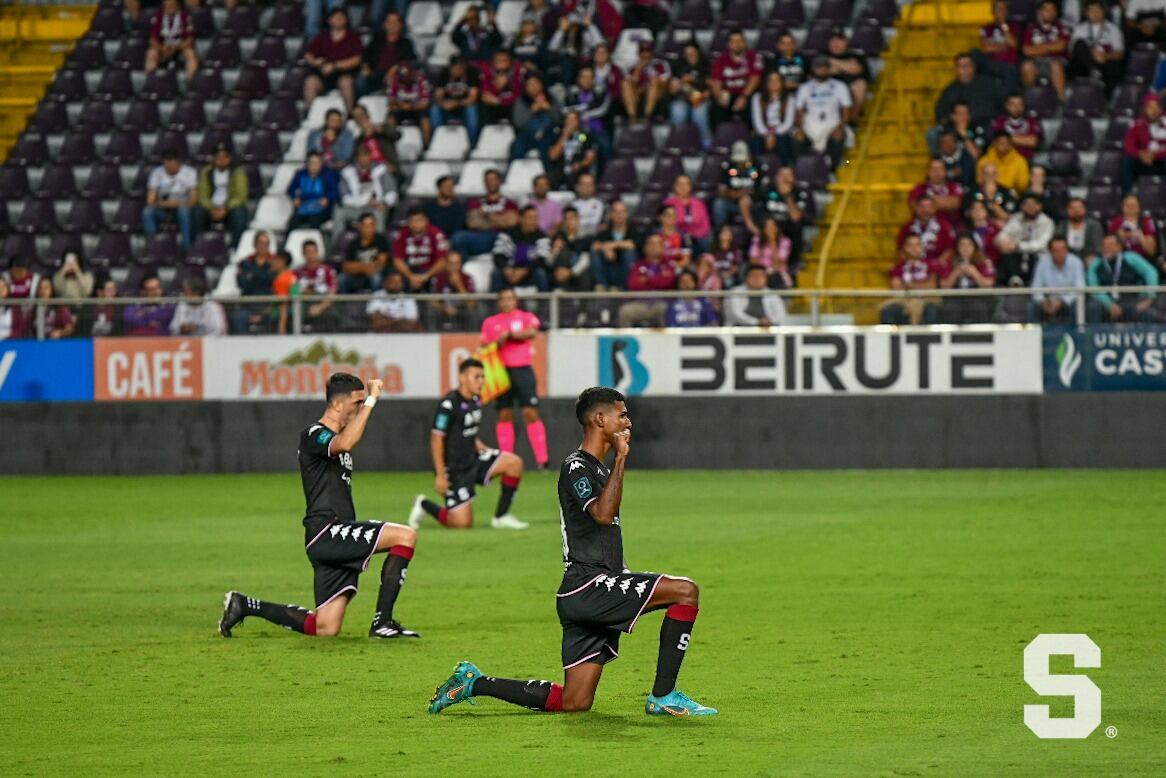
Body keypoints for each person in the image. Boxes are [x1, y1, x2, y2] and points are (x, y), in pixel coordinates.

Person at [428, 387, 717, 717]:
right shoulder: (576, 467)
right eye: (621, 414)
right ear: (599, 418)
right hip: (588, 587)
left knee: (575, 702)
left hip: (587, 591)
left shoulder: (599, 470)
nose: (628, 422)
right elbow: (603, 515)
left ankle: (473, 682)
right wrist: (622, 457)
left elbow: (601, 533)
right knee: (686, 592)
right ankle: (664, 695)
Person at [219, 374, 421, 640]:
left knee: (325, 627)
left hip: (333, 537)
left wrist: (366, 403)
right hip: (327, 531)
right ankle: (383, 622)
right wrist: (372, 400)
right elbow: (346, 442)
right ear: (337, 405)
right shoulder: (314, 434)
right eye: (356, 402)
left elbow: (345, 442)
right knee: (406, 536)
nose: (360, 408)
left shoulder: (334, 440)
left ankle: (244, 605)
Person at [407, 358, 529, 532]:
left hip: (474, 458)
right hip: (455, 470)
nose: (481, 381)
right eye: (476, 377)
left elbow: (466, 429)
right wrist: (441, 475)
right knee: (462, 524)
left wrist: (480, 445)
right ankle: (424, 504)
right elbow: (436, 439)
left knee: (514, 463)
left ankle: (501, 517)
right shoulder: (449, 404)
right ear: (462, 378)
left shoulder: (475, 399)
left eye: (482, 377)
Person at [480, 288, 548, 468]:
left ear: (515, 300)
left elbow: (533, 332)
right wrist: (497, 342)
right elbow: (484, 345)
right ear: (499, 302)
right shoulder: (490, 322)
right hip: (501, 372)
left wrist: (510, 335)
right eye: (503, 299)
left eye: (510, 298)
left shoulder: (525, 317)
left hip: (523, 369)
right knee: (504, 414)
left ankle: (542, 460)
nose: (506, 302)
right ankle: (507, 459)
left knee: (530, 412)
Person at [793, 55, 852, 169]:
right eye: (818, 67)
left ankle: (834, 170)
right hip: (811, 124)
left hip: (833, 123)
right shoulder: (805, 87)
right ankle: (801, 169)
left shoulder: (839, 86)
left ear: (829, 69)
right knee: (798, 136)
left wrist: (841, 126)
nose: (821, 70)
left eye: (824, 67)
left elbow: (846, 109)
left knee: (838, 135)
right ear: (813, 69)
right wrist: (800, 127)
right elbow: (799, 109)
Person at [1086, 233, 1159, 322]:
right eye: (1104, 245)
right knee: (1093, 307)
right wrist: (1109, 304)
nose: (1106, 248)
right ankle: (1091, 335)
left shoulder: (1131, 257)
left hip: (1132, 300)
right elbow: (1094, 287)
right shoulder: (1096, 264)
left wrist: (1150, 297)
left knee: (1148, 311)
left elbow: (1151, 273)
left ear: (1119, 247)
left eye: (1110, 246)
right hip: (1106, 302)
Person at [303, 7, 363, 111]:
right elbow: (308, 54)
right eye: (335, 17)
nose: (339, 19)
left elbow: (357, 59)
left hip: (344, 73)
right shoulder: (323, 36)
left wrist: (335, 66)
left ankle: (350, 114)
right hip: (323, 73)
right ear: (329, 20)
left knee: (346, 82)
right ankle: (311, 114)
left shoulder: (353, 37)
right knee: (310, 82)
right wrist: (314, 61)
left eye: (341, 17)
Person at [751, 166, 812, 266]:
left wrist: (787, 195)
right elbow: (756, 208)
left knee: (797, 226)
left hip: (787, 228)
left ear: (794, 178)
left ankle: (793, 262)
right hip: (768, 225)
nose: (785, 178)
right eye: (782, 175)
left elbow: (796, 217)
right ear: (776, 177)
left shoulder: (799, 192)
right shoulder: (768, 189)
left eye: (788, 175)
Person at [453, 169, 520, 258]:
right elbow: (472, 223)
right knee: (458, 237)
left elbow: (512, 222)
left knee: (504, 238)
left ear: (499, 182)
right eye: (488, 180)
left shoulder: (510, 204)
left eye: (493, 180)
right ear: (484, 182)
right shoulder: (475, 203)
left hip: (500, 237)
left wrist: (487, 216)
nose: (491, 183)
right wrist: (501, 219)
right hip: (479, 238)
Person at [335, 145, 396, 240]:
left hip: (376, 208)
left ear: (371, 156)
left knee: (378, 214)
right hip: (355, 208)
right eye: (361, 156)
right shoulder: (347, 172)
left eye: (366, 156)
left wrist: (384, 203)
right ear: (356, 158)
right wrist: (366, 201)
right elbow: (345, 198)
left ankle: (379, 245)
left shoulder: (381, 170)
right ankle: (336, 247)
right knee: (339, 213)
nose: (363, 159)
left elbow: (392, 192)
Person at [995, 192, 1056, 287]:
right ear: (1022, 206)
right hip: (1016, 258)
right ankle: (1014, 282)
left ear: (1039, 206)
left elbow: (1042, 244)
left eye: (1033, 204)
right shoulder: (1016, 218)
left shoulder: (1047, 222)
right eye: (1027, 204)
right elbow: (1002, 235)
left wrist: (1017, 246)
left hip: (1037, 258)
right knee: (1006, 255)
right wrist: (1002, 242)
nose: (1030, 207)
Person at [934, 53, 1006, 131]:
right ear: (956, 69)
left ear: (974, 67)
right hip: (961, 128)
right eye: (961, 66)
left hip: (987, 126)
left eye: (967, 65)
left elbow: (1004, 103)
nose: (964, 69)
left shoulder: (989, 84)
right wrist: (952, 118)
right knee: (933, 133)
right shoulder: (950, 91)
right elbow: (940, 114)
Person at [194, 143, 249, 247]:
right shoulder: (206, 172)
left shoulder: (238, 172)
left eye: (225, 157)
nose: (222, 160)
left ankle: (235, 247)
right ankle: (197, 245)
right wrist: (211, 208)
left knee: (239, 213)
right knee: (197, 212)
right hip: (212, 207)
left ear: (229, 158)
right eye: (218, 158)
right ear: (213, 159)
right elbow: (203, 195)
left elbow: (241, 195)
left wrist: (225, 208)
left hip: (230, 208)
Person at [143, 151, 198, 251]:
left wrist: (178, 203)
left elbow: (193, 200)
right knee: (147, 212)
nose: (169, 166)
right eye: (167, 163)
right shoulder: (157, 173)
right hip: (163, 208)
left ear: (179, 162)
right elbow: (150, 200)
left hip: (182, 208)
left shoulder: (190, 172)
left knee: (184, 211)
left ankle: (186, 247)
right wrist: (163, 204)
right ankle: (153, 245)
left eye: (172, 163)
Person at [881, 236, 941, 325]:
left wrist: (909, 285)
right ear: (905, 248)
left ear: (922, 247)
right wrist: (921, 285)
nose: (914, 248)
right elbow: (896, 287)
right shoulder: (898, 267)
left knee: (931, 310)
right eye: (910, 245)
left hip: (926, 299)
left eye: (917, 245)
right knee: (889, 310)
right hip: (904, 300)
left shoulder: (931, 265)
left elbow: (932, 286)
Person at [619, 233, 677, 327]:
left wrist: (647, 280)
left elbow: (669, 282)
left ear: (662, 247)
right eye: (650, 244)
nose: (654, 247)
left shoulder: (669, 265)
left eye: (657, 244)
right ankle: (626, 340)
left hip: (662, 302)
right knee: (625, 311)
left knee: (665, 309)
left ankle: (668, 340)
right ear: (645, 247)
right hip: (641, 303)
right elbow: (633, 285)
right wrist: (658, 279)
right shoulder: (638, 265)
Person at [1069, 0, 1125, 96]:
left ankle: (1109, 101)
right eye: (1091, 10)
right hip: (1084, 65)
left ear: (1103, 11)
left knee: (1114, 66)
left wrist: (1105, 56)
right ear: (1086, 13)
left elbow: (1120, 53)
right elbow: (1072, 51)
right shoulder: (1079, 29)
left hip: (1105, 62)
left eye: (1097, 10)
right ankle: (1094, 71)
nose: (1094, 13)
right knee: (1079, 44)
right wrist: (1091, 54)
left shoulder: (1114, 29)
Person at [491, 205, 552, 292]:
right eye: (530, 217)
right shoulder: (508, 234)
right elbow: (497, 254)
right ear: (521, 218)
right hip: (510, 273)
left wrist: (524, 271)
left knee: (541, 273)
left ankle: (544, 304)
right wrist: (506, 269)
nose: (533, 221)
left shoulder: (542, 237)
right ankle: (493, 305)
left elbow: (542, 259)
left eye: (536, 218)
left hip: (529, 274)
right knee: (496, 274)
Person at [708, 29, 763, 124]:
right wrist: (719, 95)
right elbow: (716, 81)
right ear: (728, 44)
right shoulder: (721, 59)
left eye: (740, 41)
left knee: (753, 103)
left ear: (745, 43)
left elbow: (755, 78)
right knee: (716, 107)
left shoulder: (754, 56)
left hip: (747, 93)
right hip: (728, 93)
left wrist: (744, 96)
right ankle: (720, 135)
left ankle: (749, 135)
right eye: (733, 41)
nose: (737, 44)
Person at [1020, 0, 1071, 102]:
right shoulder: (1031, 28)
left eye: (1052, 9)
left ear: (1056, 12)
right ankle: (1030, 100)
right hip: (1036, 63)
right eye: (1046, 9)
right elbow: (1027, 51)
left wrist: (1039, 47)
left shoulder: (1062, 27)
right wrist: (1050, 47)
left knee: (1055, 65)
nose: (1049, 12)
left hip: (1058, 62)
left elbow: (1061, 46)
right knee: (1027, 66)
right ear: (1040, 12)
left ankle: (1061, 101)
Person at [940, 234, 997, 323]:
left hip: (977, 297)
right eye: (962, 245)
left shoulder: (984, 261)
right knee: (950, 308)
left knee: (979, 307)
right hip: (955, 298)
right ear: (957, 248)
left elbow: (989, 284)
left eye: (969, 245)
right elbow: (944, 286)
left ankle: (982, 336)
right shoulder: (949, 262)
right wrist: (955, 273)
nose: (966, 248)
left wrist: (975, 273)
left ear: (975, 246)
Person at [1029, 236, 1086, 323]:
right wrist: (1043, 302)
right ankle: (1035, 335)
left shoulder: (1076, 262)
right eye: (1056, 250)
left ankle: (1078, 334)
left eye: (1062, 250)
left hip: (1068, 301)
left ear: (1067, 250)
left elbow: (1080, 288)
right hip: (1048, 301)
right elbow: (1035, 288)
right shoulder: (1042, 263)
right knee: (1031, 306)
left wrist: (1062, 301)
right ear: (1050, 252)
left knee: (1078, 305)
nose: (1060, 253)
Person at [392, 207, 450, 292]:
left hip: (430, 271)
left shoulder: (436, 234)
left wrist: (426, 276)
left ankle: (436, 304)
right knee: (393, 279)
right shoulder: (402, 235)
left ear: (426, 221)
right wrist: (410, 276)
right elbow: (397, 260)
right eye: (412, 221)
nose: (415, 224)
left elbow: (442, 261)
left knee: (441, 276)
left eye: (419, 220)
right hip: (409, 271)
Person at [360, 11, 416, 97]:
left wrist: (394, 70)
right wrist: (365, 67)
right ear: (384, 24)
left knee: (394, 79)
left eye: (395, 22)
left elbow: (408, 61)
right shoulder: (376, 40)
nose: (392, 25)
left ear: (400, 25)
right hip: (374, 75)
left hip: (394, 76)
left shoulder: (406, 43)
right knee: (360, 79)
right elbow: (366, 57)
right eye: (389, 22)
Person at [667, 43, 712, 149]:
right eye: (688, 54)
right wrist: (682, 81)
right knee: (678, 111)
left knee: (699, 113)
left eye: (693, 53)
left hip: (701, 100)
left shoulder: (705, 67)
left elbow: (710, 89)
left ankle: (706, 143)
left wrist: (703, 95)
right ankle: (677, 144)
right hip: (682, 99)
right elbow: (672, 90)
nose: (691, 56)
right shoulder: (678, 68)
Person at [509, 73, 562, 162]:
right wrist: (531, 111)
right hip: (527, 136)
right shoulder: (521, 101)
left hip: (548, 136)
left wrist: (549, 109)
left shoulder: (551, 99)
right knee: (517, 146)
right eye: (529, 84)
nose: (533, 87)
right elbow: (518, 123)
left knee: (549, 149)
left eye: (535, 83)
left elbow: (560, 120)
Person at [590, 200, 641, 291]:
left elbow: (632, 244)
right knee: (595, 252)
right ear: (611, 214)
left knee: (629, 252)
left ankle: (622, 287)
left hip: (625, 272)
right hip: (609, 269)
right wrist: (605, 248)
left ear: (626, 214)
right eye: (616, 212)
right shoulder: (605, 232)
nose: (619, 215)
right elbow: (594, 245)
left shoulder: (633, 231)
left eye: (622, 212)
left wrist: (612, 245)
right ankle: (601, 286)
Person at [430, 54, 481, 145]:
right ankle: (436, 140)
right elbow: (438, 95)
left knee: (472, 110)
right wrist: (443, 103)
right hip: (447, 105)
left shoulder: (472, 73)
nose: (458, 71)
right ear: (450, 67)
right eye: (455, 69)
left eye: (460, 68)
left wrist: (457, 103)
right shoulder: (443, 74)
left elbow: (473, 97)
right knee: (434, 109)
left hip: (464, 105)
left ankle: (473, 143)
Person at [1122, 93, 1166, 193]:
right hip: (1143, 162)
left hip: (1160, 162)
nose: (1154, 111)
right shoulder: (1136, 124)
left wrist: (1155, 155)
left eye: (1156, 107)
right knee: (1127, 160)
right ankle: (1127, 197)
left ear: (1161, 109)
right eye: (1150, 107)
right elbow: (1129, 146)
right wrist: (1140, 154)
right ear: (1145, 109)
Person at [235, 231, 277, 333]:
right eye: (260, 243)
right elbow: (242, 284)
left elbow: (274, 282)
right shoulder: (245, 262)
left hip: (269, 305)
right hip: (248, 304)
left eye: (266, 244)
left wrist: (253, 276)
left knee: (275, 317)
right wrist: (265, 277)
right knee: (238, 318)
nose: (263, 247)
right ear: (255, 244)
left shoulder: (275, 262)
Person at [750, 70, 796, 165]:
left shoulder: (789, 98)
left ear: (782, 83)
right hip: (763, 131)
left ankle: (786, 168)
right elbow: (757, 121)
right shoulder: (757, 98)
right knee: (756, 140)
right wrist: (767, 134)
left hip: (782, 131)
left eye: (777, 80)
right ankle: (758, 169)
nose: (774, 83)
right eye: (771, 80)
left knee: (783, 140)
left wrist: (774, 134)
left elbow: (788, 122)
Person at [145, 0, 198, 80]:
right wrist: (162, 48)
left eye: (172, 6)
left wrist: (176, 48)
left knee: (190, 54)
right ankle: (151, 82)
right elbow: (152, 40)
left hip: (180, 46)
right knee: (151, 53)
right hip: (163, 46)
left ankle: (192, 82)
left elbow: (189, 39)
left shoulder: (184, 16)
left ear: (177, 6)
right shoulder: (158, 16)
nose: (170, 8)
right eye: (167, 6)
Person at [286, 152, 340, 231]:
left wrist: (327, 198)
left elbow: (335, 192)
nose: (314, 165)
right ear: (307, 164)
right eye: (312, 162)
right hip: (304, 205)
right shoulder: (300, 174)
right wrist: (295, 198)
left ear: (321, 164)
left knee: (314, 221)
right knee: (293, 222)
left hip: (322, 207)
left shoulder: (328, 174)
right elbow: (290, 189)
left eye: (317, 163)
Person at [714, 141, 763, 228]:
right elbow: (722, 190)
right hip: (732, 203)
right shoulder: (727, 167)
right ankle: (721, 231)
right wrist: (737, 194)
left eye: (742, 161)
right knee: (719, 204)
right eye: (738, 161)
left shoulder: (756, 167)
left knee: (761, 204)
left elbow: (761, 190)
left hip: (752, 204)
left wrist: (748, 197)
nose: (740, 164)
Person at [897, 195, 956, 266]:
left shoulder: (945, 226)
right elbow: (901, 252)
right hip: (914, 269)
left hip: (938, 268)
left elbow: (950, 250)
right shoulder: (907, 228)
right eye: (922, 207)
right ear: (916, 209)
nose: (926, 210)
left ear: (934, 208)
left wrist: (936, 267)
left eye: (929, 206)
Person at [546, 110, 597, 190]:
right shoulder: (557, 135)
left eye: (573, 119)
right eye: (568, 119)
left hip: (578, 171)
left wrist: (579, 165)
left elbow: (590, 158)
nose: (570, 122)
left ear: (578, 121)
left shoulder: (584, 136)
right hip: (560, 171)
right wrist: (565, 135)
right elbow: (553, 156)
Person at [340, 213, 391, 294]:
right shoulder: (354, 243)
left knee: (376, 278)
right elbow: (346, 266)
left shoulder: (381, 240)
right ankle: (344, 305)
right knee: (341, 279)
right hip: (358, 277)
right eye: (365, 225)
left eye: (371, 225)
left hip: (377, 274)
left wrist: (358, 266)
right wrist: (365, 267)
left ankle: (375, 304)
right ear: (360, 226)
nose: (368, 228)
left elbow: (381, 263)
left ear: (375, 226)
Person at [295, 240, 338, 333]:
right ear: (303, 253)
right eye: (308, 252)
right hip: (303, 302)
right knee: (294, 314)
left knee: (333, 315)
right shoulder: (297, 272)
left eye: (313, 252)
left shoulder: (328, 271)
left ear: (317, 252)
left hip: (323, 302)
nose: (311, 255)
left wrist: (320, 307)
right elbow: (294, 291)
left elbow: (332, 292)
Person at [622, 39, 670, 121]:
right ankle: (632, 118)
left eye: (648, 52)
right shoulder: (633, 67)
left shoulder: (660, 65)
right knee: (625, 83)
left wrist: (643, 89)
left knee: (654, 81)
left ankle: (646, 117)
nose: (645, 55)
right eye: (642, 52)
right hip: (637, 99)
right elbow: (632, 83)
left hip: (658, 97)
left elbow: (665, 84)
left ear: (652, 53)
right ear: (639, 53)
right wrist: (639, 68)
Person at [386, 63, 433, 148]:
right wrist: (401, 106)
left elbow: (425, 103)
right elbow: (391, 103)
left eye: (407, 78)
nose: (405, 81)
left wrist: (411, 106)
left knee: (425, 120)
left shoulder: (421, 80)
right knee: (390, 118)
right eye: (403, 78)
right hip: (400, 109)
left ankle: (426, 146)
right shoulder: (395, 80)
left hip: (417, 109)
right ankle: (390, 146)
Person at [824, 27, 870, 113]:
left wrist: (833, 61)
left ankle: (851, 121)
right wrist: (846, 66)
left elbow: (856, 69)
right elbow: (821, 71)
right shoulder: (822, 54)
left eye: (839, 40)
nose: (835, 44)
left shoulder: (857, 56)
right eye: (832, 40)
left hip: (849, 88)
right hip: (826, 88)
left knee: (860, 85)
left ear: (846, 42)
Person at [975, 0, 1020, 88]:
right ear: (993, 11)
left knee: (1010, 71)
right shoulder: (985, 28)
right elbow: (986, 48)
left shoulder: (1014, 26)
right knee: (974, 53)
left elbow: (1014, 44)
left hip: (1009, 64)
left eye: (1004, 9)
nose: (1001, 11)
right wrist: (1005, 46)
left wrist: (1003, 25)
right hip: (991, 64)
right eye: (998, 8)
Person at [663, 174, 712, 253]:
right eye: (680, 184)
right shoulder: (668, 203)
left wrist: (694, 236)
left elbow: (705, 225)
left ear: (690, 186)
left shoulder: (699, 203)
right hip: (676, 237)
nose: (683, 187)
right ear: (675, 186)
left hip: (698, 238)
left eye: (686, 184)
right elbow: (667, 224)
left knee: (704, 242)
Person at [909, 158, 966, 226]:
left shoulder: (954, 187)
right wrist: (945, 202)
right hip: (925, 229)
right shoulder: (919, 188)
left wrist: (929, 202)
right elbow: (916, 207)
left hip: (951, 227)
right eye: (933, 169)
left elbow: (955, 204)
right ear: (927, 171)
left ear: (945, 171)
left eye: (940, 168)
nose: (937, 172)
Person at [549, 207, 593, 293]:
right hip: (560, 272)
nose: (570, 221)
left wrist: (571, 272)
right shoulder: (558, 237)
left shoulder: (586, 238)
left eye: (573, 218)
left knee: (586, 275)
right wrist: (555, 250)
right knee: (563, 252)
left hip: (577, 272)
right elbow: (549, 262)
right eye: (567, 219)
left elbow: (586, 260)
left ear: (578, 219)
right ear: (564, 222)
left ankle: (583, 304)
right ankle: (560, 289)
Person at [1107, 193, 1159, 262]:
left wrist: (1141, 238)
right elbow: (1108, 251)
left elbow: (1152, 251)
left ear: (1139, 207)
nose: (1130, 208)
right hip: (1121, 259)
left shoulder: (1146, 221)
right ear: (1122, 207)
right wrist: (1118, 238)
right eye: (1127, 205)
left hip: (1143, 258)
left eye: (1133, 206)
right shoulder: (1115, 222)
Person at [479, 49, 525, 126]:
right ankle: (488, 132)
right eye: (498, 61)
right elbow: (486, 96)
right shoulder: (487, 71)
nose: (501, 64)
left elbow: (519, 95)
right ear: (493, 62)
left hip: (511, 105)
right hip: (494, 105)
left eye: (504, 61)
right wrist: (498, 87)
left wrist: (500, 101)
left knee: (518, 105)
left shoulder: (518, 71)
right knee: (485, 107)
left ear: (511, 62)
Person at [990, 92, 1041, 161]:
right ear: (1007, 106)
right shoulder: (1000, 121)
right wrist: (1024, 140)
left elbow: (1033, 141)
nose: (1017, 107)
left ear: (1024, 106)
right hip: (1004, 159)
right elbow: (996, 143)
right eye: (1013, 104)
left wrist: (1007, 139)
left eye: (1020, 104)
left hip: (1027, 159)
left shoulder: (1031, 120)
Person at [1055, 197, 1104, 266]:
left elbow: (1098, 247)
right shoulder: (1062, 226)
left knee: (1092, 261)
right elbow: (1057, 243)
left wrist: (1091, 256)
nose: (1076, 211)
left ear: (1084, 209)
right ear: (1067, 210)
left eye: (1079, 208)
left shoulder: (1094, 225)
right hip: (1067, 256)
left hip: (1087, 256)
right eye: (1072, 208)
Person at [748, 216, 793, 289]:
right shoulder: (757, 239)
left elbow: (778, 263)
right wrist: (763, 244)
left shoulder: (785, 241)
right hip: (760, 270)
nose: (770, 229)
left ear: (777, 228)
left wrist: (772, 242)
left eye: (772, 225)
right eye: (767, 226)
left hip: (777, 271)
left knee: (775, 278)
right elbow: (753, 261)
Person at [424, 175, 467, 239]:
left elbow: (459, 228)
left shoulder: (459, 207)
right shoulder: (428, 207)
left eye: (452, 186)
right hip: (434, 240)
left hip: (453, 241)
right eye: (447, 186)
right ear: (439, 188)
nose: (450, 188)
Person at [568, 173, 605, 238]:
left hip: (597, 239)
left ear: (594, 187)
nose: (587, 187)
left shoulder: (603, 205)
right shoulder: (571, 206)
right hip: (577, 239)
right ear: (577, 187)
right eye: (584, 184)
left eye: (590, 184)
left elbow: (605, 226)